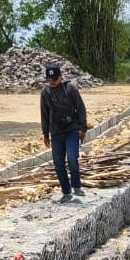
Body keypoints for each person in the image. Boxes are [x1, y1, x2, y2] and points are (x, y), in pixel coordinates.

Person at [40, 64, 88, 203]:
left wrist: (83, 128)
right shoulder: (45, 92)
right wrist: (45, 133)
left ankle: (77, 186)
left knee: (72, 157)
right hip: (55, 132)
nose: (52, 82)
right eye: (49, 80)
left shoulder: (70, 88)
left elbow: (80, 108)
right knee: (58, 162)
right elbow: (44, 113)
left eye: (54, 79)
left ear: (61, 77)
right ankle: (66, 191)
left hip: (72, 129)